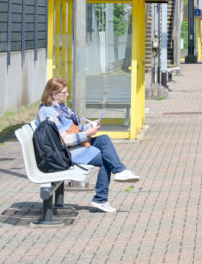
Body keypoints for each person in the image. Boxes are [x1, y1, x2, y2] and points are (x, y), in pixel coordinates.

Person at [37, 77, 140, 213]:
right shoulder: (49, 112)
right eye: (64, 92)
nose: (67, 95)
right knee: (106, 160)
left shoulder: (59, 107)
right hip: (64, 153)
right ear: (53, 94)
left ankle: (119, 171)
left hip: (72, 147)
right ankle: (101, 198)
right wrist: (86, 134)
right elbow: (63, 140)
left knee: (104, 139)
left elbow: (72, 128)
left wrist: (88, 127)